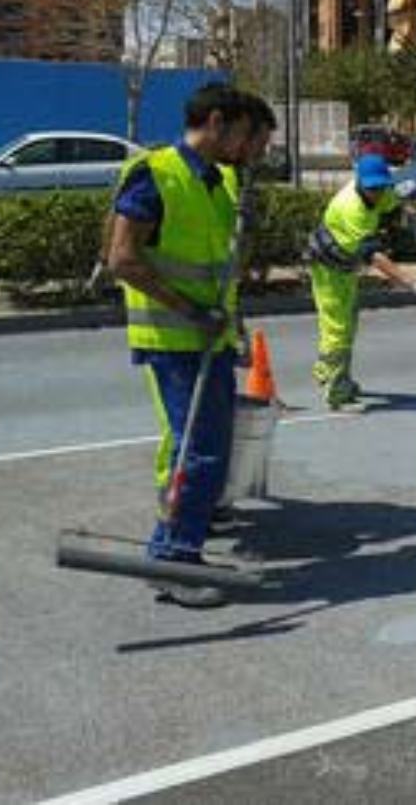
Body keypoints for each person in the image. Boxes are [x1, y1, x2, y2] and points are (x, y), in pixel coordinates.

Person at [107, 83, 275, 609]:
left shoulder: (216, 180)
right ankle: (174, 560)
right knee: (197, 452)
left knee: (208, 451)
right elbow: (122, 259)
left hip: (209, 337)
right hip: (174, 338)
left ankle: (176, 552)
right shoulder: (155, 174)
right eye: (245, 135)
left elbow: (221, 267)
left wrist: (231, 323)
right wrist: (191, 312)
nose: (247, 147)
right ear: (217, 122)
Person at [308, 153, 416, 409]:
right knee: (337, 329)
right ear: (359, 182)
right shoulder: (352, 207)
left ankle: (337, 377)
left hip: (345, 267)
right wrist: (410, 282)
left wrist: (405, 208)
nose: (376, 193)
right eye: (372, 188)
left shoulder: (380, 190)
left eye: (380, 187)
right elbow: (373, 255)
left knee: (349, 323)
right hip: (328, 270)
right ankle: (335, 389)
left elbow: (391, 201)